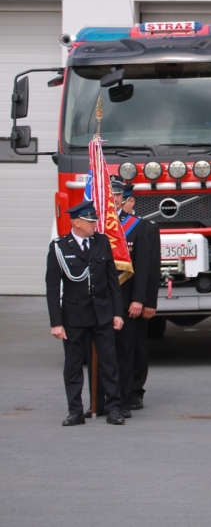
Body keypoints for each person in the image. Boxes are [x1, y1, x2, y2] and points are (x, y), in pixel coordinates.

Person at [45, 200, 126, 426]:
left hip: (102, 313)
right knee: (73, 365)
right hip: (74, 315)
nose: (94, 225)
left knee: (109, 363)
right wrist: (56, 323)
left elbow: (112, 281)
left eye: (95, 221)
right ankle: (75, 411)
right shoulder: (60, 247)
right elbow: (53, 288)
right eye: (90, 221)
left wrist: (117, 313)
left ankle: (113, 409)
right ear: (77, 223)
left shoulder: (102, 242)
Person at [115, 179, 160, 414]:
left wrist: (147, 301)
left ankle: (135, 390)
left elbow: (150, 268)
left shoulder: (144, 227)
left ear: (130, 200)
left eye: (120, 197)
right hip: (113, 298)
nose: (116, 201)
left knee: (135, 348)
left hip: (134, 296)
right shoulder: (102, 226)